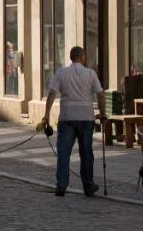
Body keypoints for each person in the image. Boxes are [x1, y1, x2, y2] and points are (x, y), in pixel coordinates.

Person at [43, 46, 106, 197]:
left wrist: (46, 115)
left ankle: (61, 185)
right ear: (83, 57)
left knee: (64, 152)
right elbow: (101, 95)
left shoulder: (61, 73)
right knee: (86, 153)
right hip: (86, 117)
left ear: (71, 57)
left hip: (67, 117)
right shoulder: (90, 74)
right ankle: (88, 185)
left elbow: (52, 93)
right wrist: (103, 114)